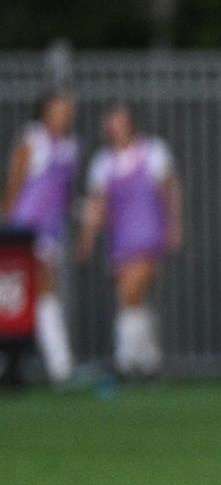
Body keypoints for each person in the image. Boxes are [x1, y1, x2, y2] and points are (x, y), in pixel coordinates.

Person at [77, 105, 181, 379]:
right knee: (132, 300)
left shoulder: (153, 151)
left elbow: (169, 191)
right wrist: (87, 237)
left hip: (148, 233)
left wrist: (173, 225)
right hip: (120, 239)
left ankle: (125, 360)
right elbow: (98, 204)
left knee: (129, 293)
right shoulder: (103, 162)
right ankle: (149, 361)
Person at [3, 91, 78, 385]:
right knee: (38, 291)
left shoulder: (70, 146)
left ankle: (52, 365)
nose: (66, 114)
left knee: (26, 296)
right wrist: (7, 226)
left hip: (51, 231)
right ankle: (61, 366)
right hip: (25, 230)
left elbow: (64, 192)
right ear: (46, 112)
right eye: (60, 109)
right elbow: (14, 183)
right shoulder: (32, 140)